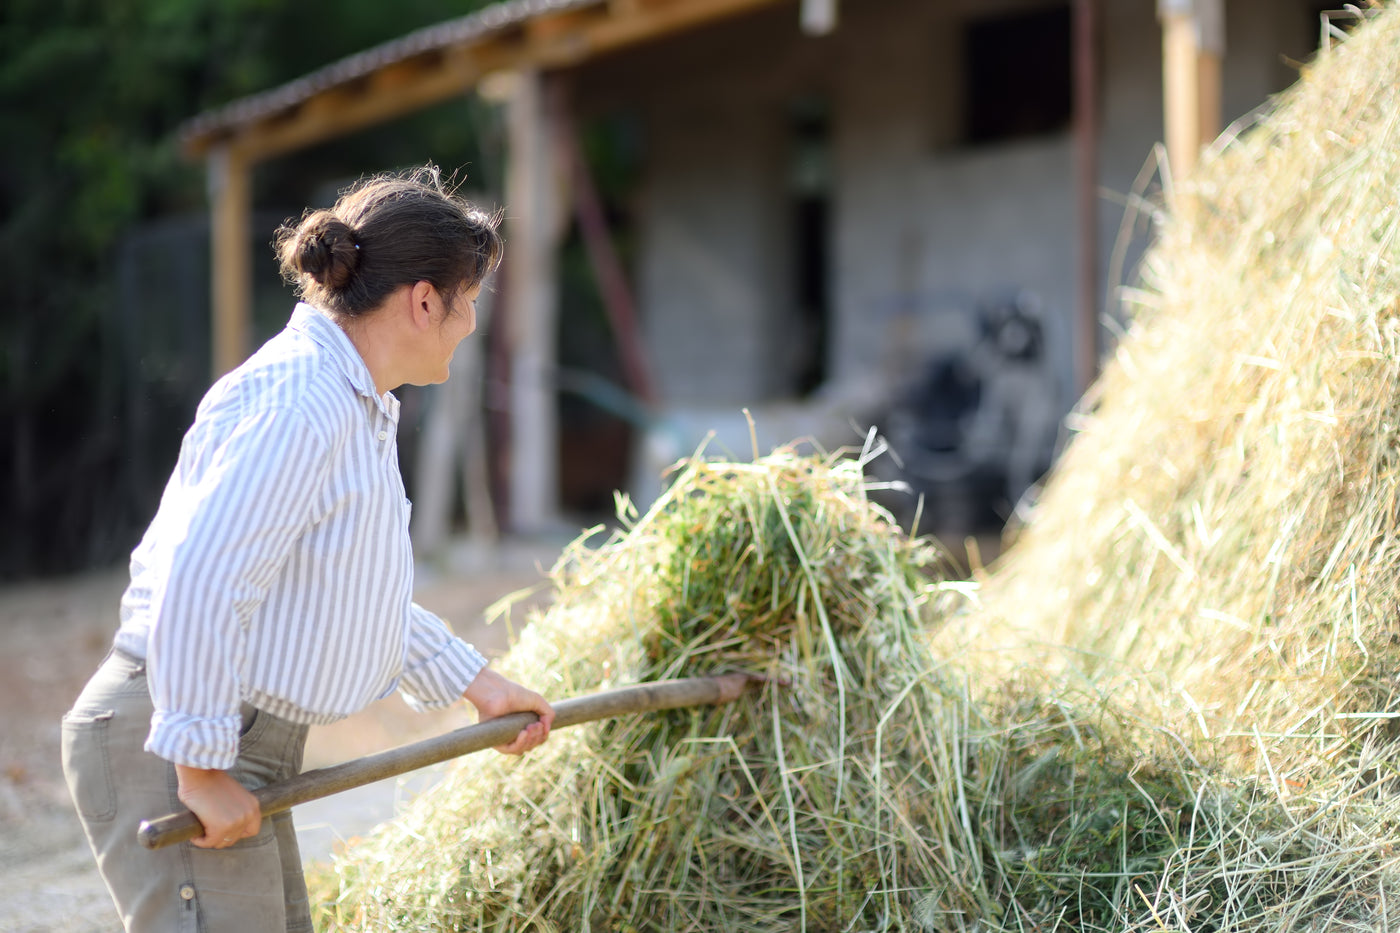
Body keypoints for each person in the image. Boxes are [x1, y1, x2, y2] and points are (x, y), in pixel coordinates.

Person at [60, 166, 554, 933]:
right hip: (177, 736)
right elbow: (205, 576)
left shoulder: (352, 401)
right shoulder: (302, 402)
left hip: (238, 742)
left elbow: (341, 591)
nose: (471, 326)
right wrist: (197, 764)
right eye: (470, 304)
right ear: (425, 301)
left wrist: (477, 681)